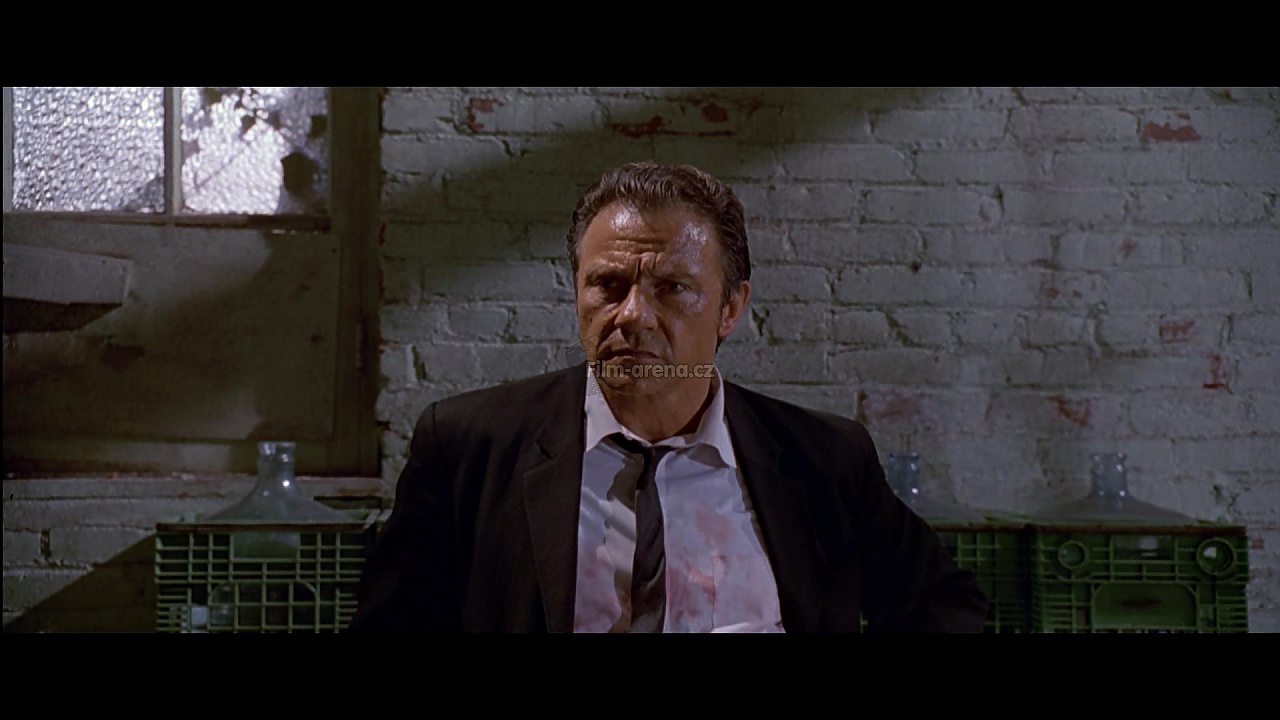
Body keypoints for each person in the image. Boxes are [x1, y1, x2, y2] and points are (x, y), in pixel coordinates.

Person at [348, 161, 988, 633]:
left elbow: (946, 608)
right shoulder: (469, 448)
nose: (632, 315)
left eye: (672, 288)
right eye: (607, 284)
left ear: (730, 307)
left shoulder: (822, 459)